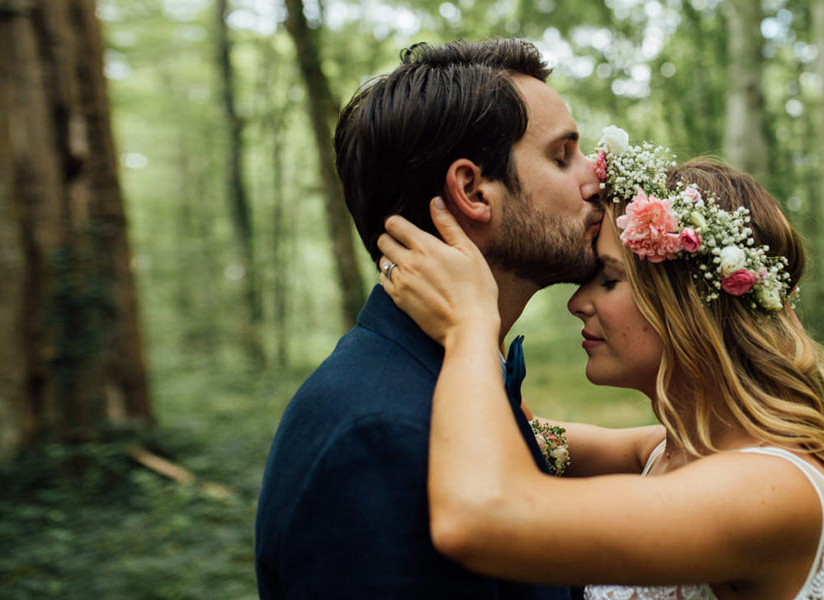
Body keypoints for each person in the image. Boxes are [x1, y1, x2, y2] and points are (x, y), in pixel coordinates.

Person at [375, 140, 824, 599]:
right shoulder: (666, 451)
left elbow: (480, 517)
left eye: (606, 279)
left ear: (692, 304)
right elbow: (519, 434)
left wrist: (469, 323)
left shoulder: (775, 490)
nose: (577, 302)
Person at [254, 39, 604, 599]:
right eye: (563, 156)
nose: (596, 178)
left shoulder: (448, 376)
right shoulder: (380, 436)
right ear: (471, 190)